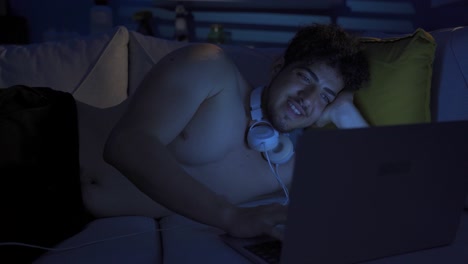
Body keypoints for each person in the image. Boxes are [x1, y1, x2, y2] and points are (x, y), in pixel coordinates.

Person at [103, 23, 370, 240]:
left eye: (325, 96)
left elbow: (373, 197)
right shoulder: (211, 68)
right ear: (278, 67)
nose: (307, 98)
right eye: (305, 77)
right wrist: (231, 217)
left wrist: (345, 114)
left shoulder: (287, 168)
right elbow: (126, 144)